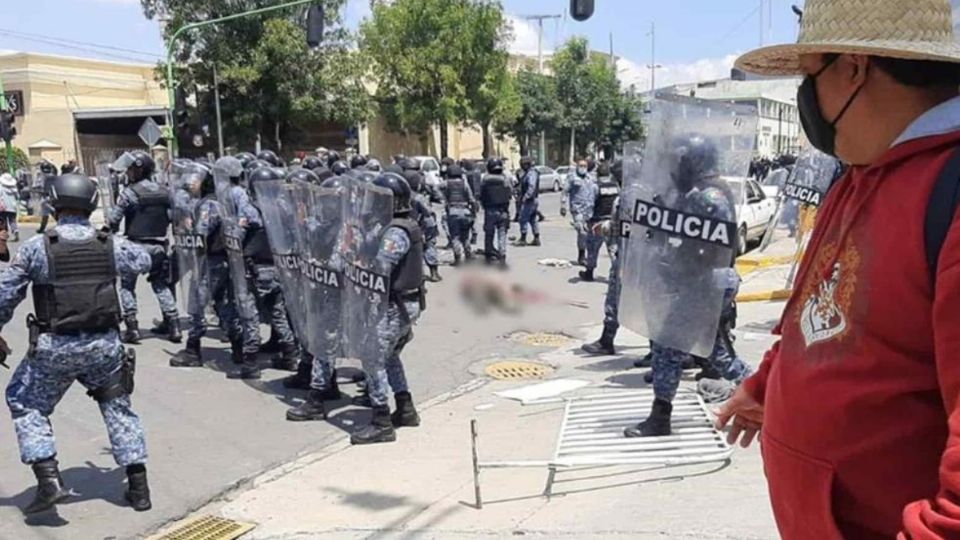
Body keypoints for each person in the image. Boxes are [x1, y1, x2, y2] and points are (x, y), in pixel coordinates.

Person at [717, 0, 960, 537]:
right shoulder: (857, 175)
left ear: (853, 67)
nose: (807, 99)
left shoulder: (950, 189)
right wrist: (766, 386)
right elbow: (822, 309)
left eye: (810, 76)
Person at [0, 174, 152, 513]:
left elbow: (4, 294)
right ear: (92, 203)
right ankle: (139, 488)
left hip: (55, 349)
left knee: (24, 401)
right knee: (117, 406)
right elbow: (143, 260)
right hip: (104, 347)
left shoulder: (38, 247)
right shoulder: (108, 242)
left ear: (53, 204)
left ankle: (49, 481)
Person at [624, 135, 751, 439]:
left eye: (680, 161)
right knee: (717, 352)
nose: (675, 168)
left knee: (668, 346)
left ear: (694, 162)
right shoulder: (713, 192)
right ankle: (769, 393)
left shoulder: (704, 198)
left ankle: (660, 417)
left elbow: (687, 240)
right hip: (712, 282)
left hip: (704, 284)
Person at [351, 172, 424, 445]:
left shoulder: (395, 232)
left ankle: (381, 421)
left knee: (372, 359)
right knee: (391, 357)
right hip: (403, 304)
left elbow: (381, 268)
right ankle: (405, 409)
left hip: (394, 307)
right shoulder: (404, 224)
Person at [170, 164, 244, 368]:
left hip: (210, 261)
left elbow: (202, 232)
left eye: (197, 179)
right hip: (220, 260)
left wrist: (188, 229)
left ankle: (193, 349)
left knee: (196, 304)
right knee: (223, 304)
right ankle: (239, 347)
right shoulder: (218, 202)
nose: (192, 183)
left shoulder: (209, 205)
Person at [106, 151, 181, 344]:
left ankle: (132, 328)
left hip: (134, 247)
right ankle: (174, 325)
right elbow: (175, 218)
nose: (128, 173)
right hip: (159, 247)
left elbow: (114, 220)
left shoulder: (130, 193)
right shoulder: (165, 191)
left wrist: (107, 232)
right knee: (161, 285)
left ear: (140, 170)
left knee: (127, 286)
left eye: (131, 169)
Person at [245, 167, 300, 371]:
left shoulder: (251, 210)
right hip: (280, 268)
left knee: (249, 314)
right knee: (278, 313)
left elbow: (236, 236)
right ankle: (290, 355)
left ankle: (250, 362)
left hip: (255, 269)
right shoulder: (284, 209)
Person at [581, 160, 625, 355]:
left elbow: (619, 227)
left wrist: (599, 225)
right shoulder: (646, 194)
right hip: (642, 260)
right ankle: (654, 350)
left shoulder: (623, 199)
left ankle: (607, 341)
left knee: (613, 300)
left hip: (625, 257)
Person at [401, 159, 443, 282]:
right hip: (420, 224)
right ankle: (433, 272)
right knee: (429, 245)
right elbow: (428, 212)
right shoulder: (419, 196)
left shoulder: (401, 194)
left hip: (407, 224)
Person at [580, 162, 618, 281]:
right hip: (611, 222)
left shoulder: (595, 186)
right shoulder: (615, 186)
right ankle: (617, 273)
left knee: (592, 248)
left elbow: (589, 204)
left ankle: (589, 272)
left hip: (597, 222)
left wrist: (586, 220)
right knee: (613, 248)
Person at [479, 158, 512, 267]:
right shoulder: (505, 179)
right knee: (502, 234)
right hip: (503, 210)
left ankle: (489, 255)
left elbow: (481, 195)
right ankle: (502, 257)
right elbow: (509, 194)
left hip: (490, 211)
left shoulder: (485, 179)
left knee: (489, 234)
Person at [440, 164, 477, 265]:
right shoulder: (464, 184)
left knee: (455, 236)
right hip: (465, 211)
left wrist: (443, 198)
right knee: (465, 236)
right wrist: (474, 213)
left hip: (453, 212)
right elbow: (472, 199)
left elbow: (435, 188)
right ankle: (468, 256)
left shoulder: (445, 183)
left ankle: (458, 259)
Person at [563, 160, 596, 266]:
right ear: (577, 166)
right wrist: (563, 205)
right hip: (577, 209)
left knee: (590, 233)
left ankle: (588, 255)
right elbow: (565, 192)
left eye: (584, 166)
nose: (582, 167)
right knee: (582, 232)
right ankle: (581, 255)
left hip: (589, 209)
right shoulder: (572, 177)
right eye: (580, 166)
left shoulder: (590, 177)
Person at [516, 157, 541, 247]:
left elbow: (531, 187)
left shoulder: (531, 174)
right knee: (533, 219)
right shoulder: (528, 173)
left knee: (523, 218)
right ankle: (536, 238)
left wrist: (525, 197)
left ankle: (523, 238)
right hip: (532, 200)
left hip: (530, 200)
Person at [36, 160, 57, 234]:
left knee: (50, 212)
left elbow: (39, 187)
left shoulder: (41, 176)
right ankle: (42, 228)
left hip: (46, 197)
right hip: (53, 196)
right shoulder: (53, 175)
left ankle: (61, 224)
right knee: (46, 214)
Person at [0, 173, 19, 242]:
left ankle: (5, 234)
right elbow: (17, 197)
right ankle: (15, 231)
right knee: (12, 221)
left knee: (3, 221)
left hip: (3, 207)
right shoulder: (14, 189)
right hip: (13, 207)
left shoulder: (1, 187)